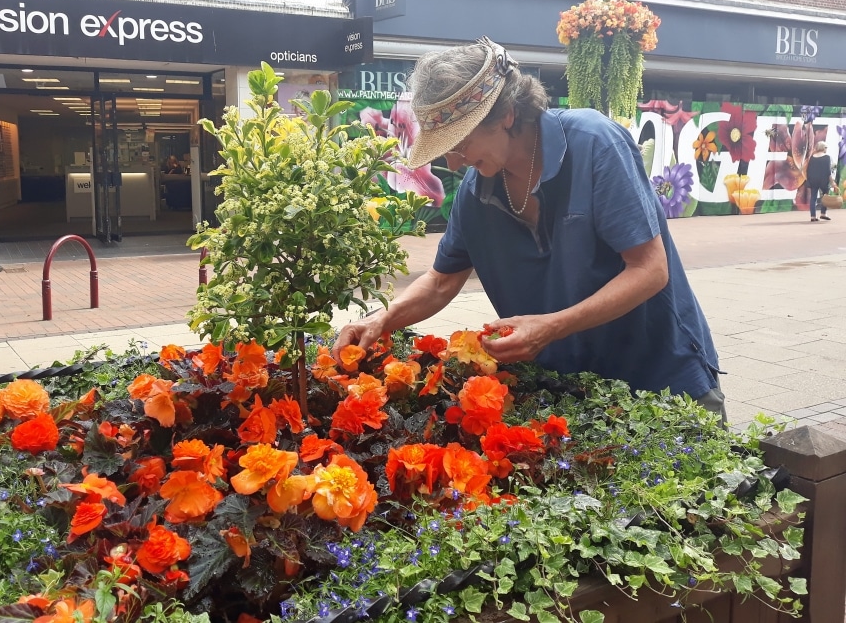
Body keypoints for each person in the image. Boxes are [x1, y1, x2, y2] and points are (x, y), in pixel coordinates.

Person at [332, 37, 726, 419]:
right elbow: (440, 282)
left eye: (460, 143)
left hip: (663, 382)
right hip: (573, 394)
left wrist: (551, 326)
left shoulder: (593, 144)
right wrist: (382, 319)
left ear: (506, 115)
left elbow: (650, 270)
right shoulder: (475, 191)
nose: (454, 164)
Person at [805, 141, 835, 222]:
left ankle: (813, 216)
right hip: (823, 180)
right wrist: (832, 182)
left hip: (813, 180)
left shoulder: (812, 157)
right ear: (823, 148)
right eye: (826, 147)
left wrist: (809, 180)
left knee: (813, 198)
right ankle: (823, 214)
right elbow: (828, 171)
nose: (826, 149)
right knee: (825, 196)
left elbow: (808, 170)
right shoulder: (827, 157)